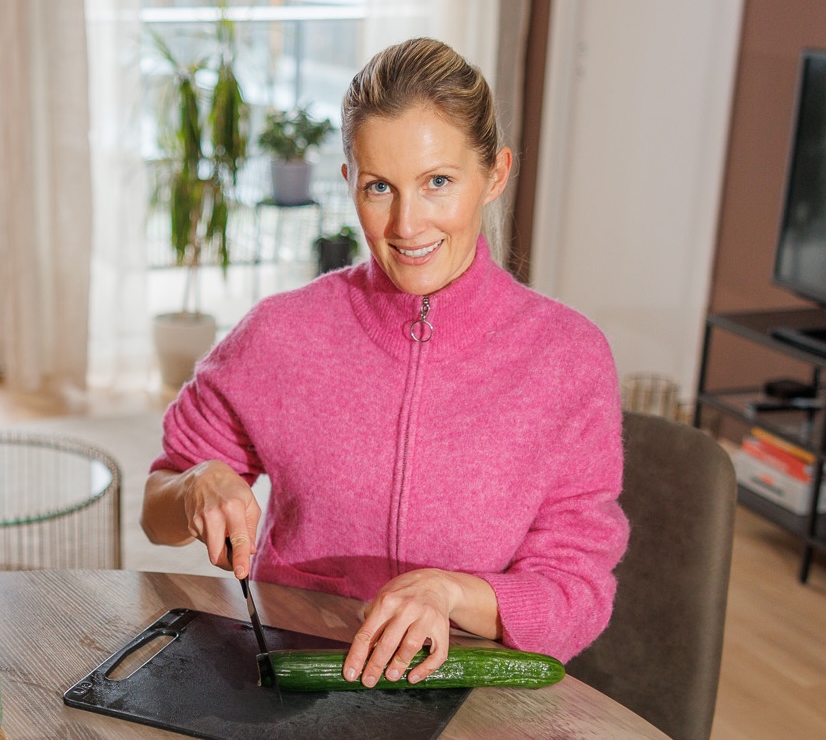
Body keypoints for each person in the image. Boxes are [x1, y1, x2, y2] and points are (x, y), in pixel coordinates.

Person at [141, 37, 628, 687]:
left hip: (471, 691)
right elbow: (158, 511)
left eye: (437, 183)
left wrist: (450, 594)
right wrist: (196, 481)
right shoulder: (280, 334)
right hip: (295, 672)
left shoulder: (568, 357)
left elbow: (576, 595)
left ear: (495, 175)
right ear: (349, 183)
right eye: (379, 188)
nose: (406, 223)